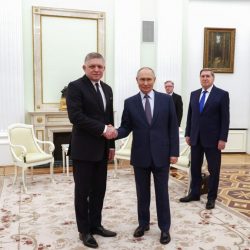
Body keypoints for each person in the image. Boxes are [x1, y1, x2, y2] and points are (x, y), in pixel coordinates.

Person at [105, 67, 179, 245]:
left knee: (162, 194)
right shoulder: (130, 102)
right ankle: (143, 224)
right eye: (142, 79)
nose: (145, 83)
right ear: (136, 80)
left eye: (149, 79)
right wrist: (115, 132)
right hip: (141, 156)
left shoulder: (166, 100)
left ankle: (164, 229)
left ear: (154, 80)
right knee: (142, 193)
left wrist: (174, 152)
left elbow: (172, 127)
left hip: (162, 155)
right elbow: (126, 127)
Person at [66, 52, 117, 248]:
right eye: (92, 66)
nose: (96, 70)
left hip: (102, 150)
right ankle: (84, 231)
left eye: (100, 67)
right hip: (83, 150)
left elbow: (108, 118)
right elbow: (76, 116)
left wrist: (111, 145)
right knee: (82, 192)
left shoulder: (107, 88)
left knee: (99, 190)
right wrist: (104, 130)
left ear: (104, 68)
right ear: (84, 68)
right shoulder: (75, 87)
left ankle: (96, 225)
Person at [179, 68, 230, 210]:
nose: (205, 78)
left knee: (214, 169)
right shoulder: (194, 94)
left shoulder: (222, 95)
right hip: (195, 138)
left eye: (208, 76)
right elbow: (190, 116)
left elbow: (225, 119)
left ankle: (211, 198)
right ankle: (194, 193)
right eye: (202, 76)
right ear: (200, 78)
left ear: (213, 78)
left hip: (213, 140)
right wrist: (188, 134)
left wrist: (222, 138)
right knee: (195, 168)